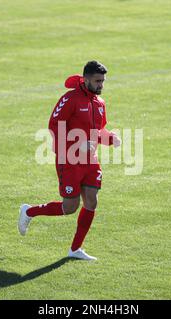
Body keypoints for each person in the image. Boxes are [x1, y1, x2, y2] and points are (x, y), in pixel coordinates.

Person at [18, 61, 121, 260]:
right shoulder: (70, 99)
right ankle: (29, 211)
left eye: (103, 82)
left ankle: (75, 250)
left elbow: (98, 130)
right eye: (97, 81)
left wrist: (111, 139)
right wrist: (75, 145)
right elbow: (54, 125)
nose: (101, 85)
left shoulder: (100, 103)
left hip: (90, 160)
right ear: (86, 79)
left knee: (91, 201)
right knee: (70, 207)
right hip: (70, 160)